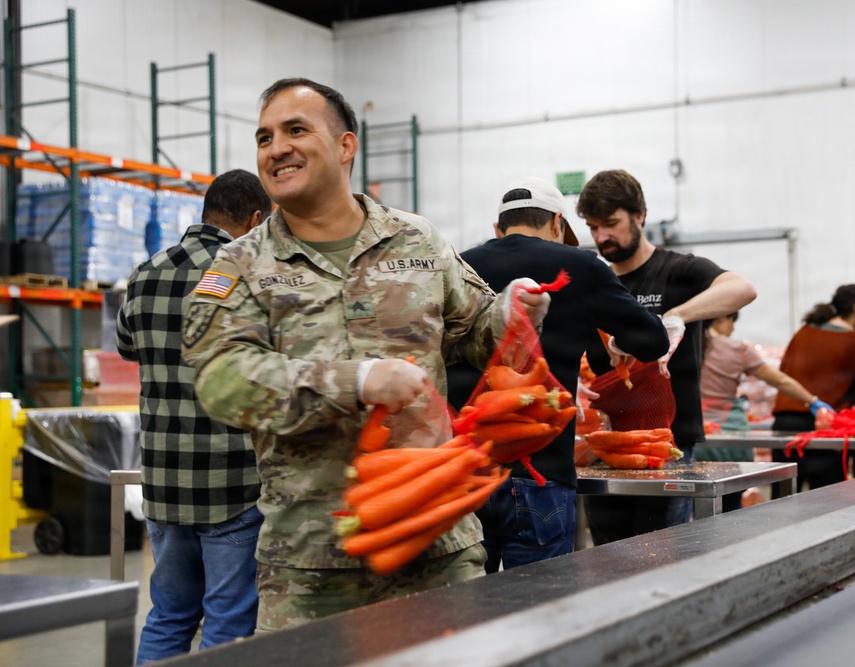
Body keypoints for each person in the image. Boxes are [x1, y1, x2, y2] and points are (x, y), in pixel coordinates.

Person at [180, 78, 550, 632]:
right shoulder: (239, 265)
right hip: (311, 562)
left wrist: (513, 313)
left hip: (438, 545)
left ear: (346, 145)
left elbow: (475, 331)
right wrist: (354, 381)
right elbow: (222, 380)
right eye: (264, 138)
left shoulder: (417, 241)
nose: (276, 147)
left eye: (296, 130)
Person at [447, 176, 669, 571]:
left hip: (461, 472)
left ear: (497, 229)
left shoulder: (459, 264)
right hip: (541, 472)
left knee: (465, 611)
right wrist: (617, 339)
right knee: (539, 608)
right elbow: (652, 340)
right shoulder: (579, 266)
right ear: (557, 225)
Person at [116, 169, 271, 663]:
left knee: (168, 615)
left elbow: (127, 346)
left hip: (163, 483)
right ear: (255, 218)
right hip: (230, 484)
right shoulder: (245, 275)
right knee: (226, 621)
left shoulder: (144, 273)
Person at [575, 169, 757, 544]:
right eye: (593, 228)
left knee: (663, 551)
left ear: (640, 215)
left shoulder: (678, 270)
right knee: (607, 554)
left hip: (668, 444)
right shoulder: (596, 281)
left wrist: (675, 318)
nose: (601, 237)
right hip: (605, 447)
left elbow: (742, 288)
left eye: (611, 224)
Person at [699, 311, 833, 509]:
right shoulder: (736, 349)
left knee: (692, 500)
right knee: (729, 503)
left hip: (694, 435)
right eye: (732, 321)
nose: (733, 328)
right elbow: (779, 380)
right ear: (721, 318)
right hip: (729, 437)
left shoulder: (684, 346)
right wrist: (813, 401)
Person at [770, 284, 855, 489]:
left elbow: (783, 369)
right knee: (826, 501)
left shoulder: (804, 331)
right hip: (823, 426)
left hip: (785, 423)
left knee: (782, 499)